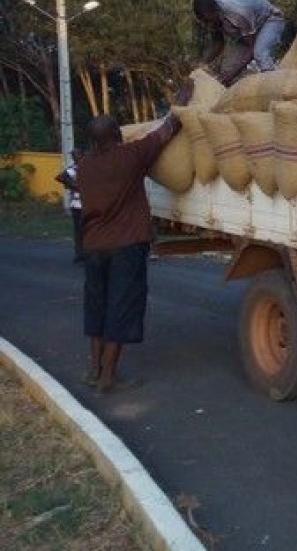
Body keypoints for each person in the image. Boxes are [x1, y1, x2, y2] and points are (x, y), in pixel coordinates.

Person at [75, 82, 192, 394]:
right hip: (127, 246)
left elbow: (76, 182)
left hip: (94, 246)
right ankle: (109, 376)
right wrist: (180, 102)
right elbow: (168, 129)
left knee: (96, 307)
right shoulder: (131, 156)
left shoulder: (83, 167)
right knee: (121, 308)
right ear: (118, 136)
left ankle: (94, 369)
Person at [193, 0, 284, 86]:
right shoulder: (210, 16)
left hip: (269, 20)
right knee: (227, 69)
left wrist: (230, 76)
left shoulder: (237, 13)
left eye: (210, 21)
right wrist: (203, 63)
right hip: (248, 33)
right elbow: (218, 42)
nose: (209, 25)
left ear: (217, 11)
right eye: (205, 22)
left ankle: (276, 86)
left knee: (260, 54)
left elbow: (251, 49)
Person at [55, 148, 84, 263]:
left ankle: (81, 254)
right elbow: (59, 177)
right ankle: (81, 254)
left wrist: (71, 185)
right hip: (78, 204)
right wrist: (73, 185)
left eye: (75, 155)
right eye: (73, 155)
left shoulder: (80, 168)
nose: (74, 157)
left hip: (82, 204)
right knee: (81, 230)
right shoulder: (73, 169)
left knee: (81, 231)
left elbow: (60, 177)